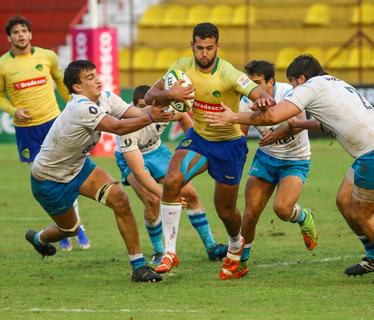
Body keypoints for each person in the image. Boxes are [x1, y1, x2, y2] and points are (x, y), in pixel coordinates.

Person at [206, 54, 374, 284]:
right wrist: (300, 124)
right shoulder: (334, 83)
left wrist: (232, 117)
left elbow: (274, 115)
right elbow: (327, 123)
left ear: (301, 78)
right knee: (344, 201)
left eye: (294, 83)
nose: (294, 88)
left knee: (362, 215)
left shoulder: (310, 87)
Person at [24, 59, 186, 283]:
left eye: (96, 74)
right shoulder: (81, 107)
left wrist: (165, 105)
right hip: (49, 180)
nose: (97, 80)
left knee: (120, 199)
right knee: (69, 229)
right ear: (77, 87)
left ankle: (138, 267)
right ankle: (40, 239)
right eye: (89, 78)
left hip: (79, 168)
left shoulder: (106, 98)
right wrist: (151, 117)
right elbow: (117, 127)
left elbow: (132, 112)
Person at [144, 22, 274, 278]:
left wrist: (262, 98)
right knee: (172, 181)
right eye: (199, 47)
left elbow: (255, 90)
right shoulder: (181, 67)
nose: (204, 53)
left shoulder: (228, 73)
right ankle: (169, 252)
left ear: (217, 47)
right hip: (200, 139)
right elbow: (150, 96)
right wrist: (171, 93)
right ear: (192, 46)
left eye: (209, 48)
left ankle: (236, 243)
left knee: (225, 210)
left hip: (230, 146)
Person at [114, 85, 228, 270]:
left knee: (190, 194)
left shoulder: (165, 109)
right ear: (134, 106)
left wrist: (195, 144)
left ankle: (211, 246)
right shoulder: (127, 126)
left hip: (156, 151)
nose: (149, 110)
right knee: (152, 200)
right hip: (132, 157)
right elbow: (139, 171)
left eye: (152, 105)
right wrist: (162, 194)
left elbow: (183, 117)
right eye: (143, 106)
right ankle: (159, 251)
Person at [0, 16, 90, 250]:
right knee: (45, 183)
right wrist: (13, 110)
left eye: (24, 31)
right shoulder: (3, 65)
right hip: (27, 131)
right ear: (9, 37)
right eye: (16, 32)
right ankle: (64, 229)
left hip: (54, 124)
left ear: (30, 34)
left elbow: (62, 82)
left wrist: (73, 104)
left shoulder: (47, 57)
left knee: (68, 174)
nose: (21, 35)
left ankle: (77, 227)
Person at [235, 60, 317, 278]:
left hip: (295, 160)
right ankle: (240, 263)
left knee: (282, 209)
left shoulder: (289, 92)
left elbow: (298, 122)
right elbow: (241, 137)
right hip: (266, 159)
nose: (253, 89)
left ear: (271, 81)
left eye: (258, 83)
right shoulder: (246, 99)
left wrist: (278, 132)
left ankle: (303, 217)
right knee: (250, 213)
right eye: (250, 84)